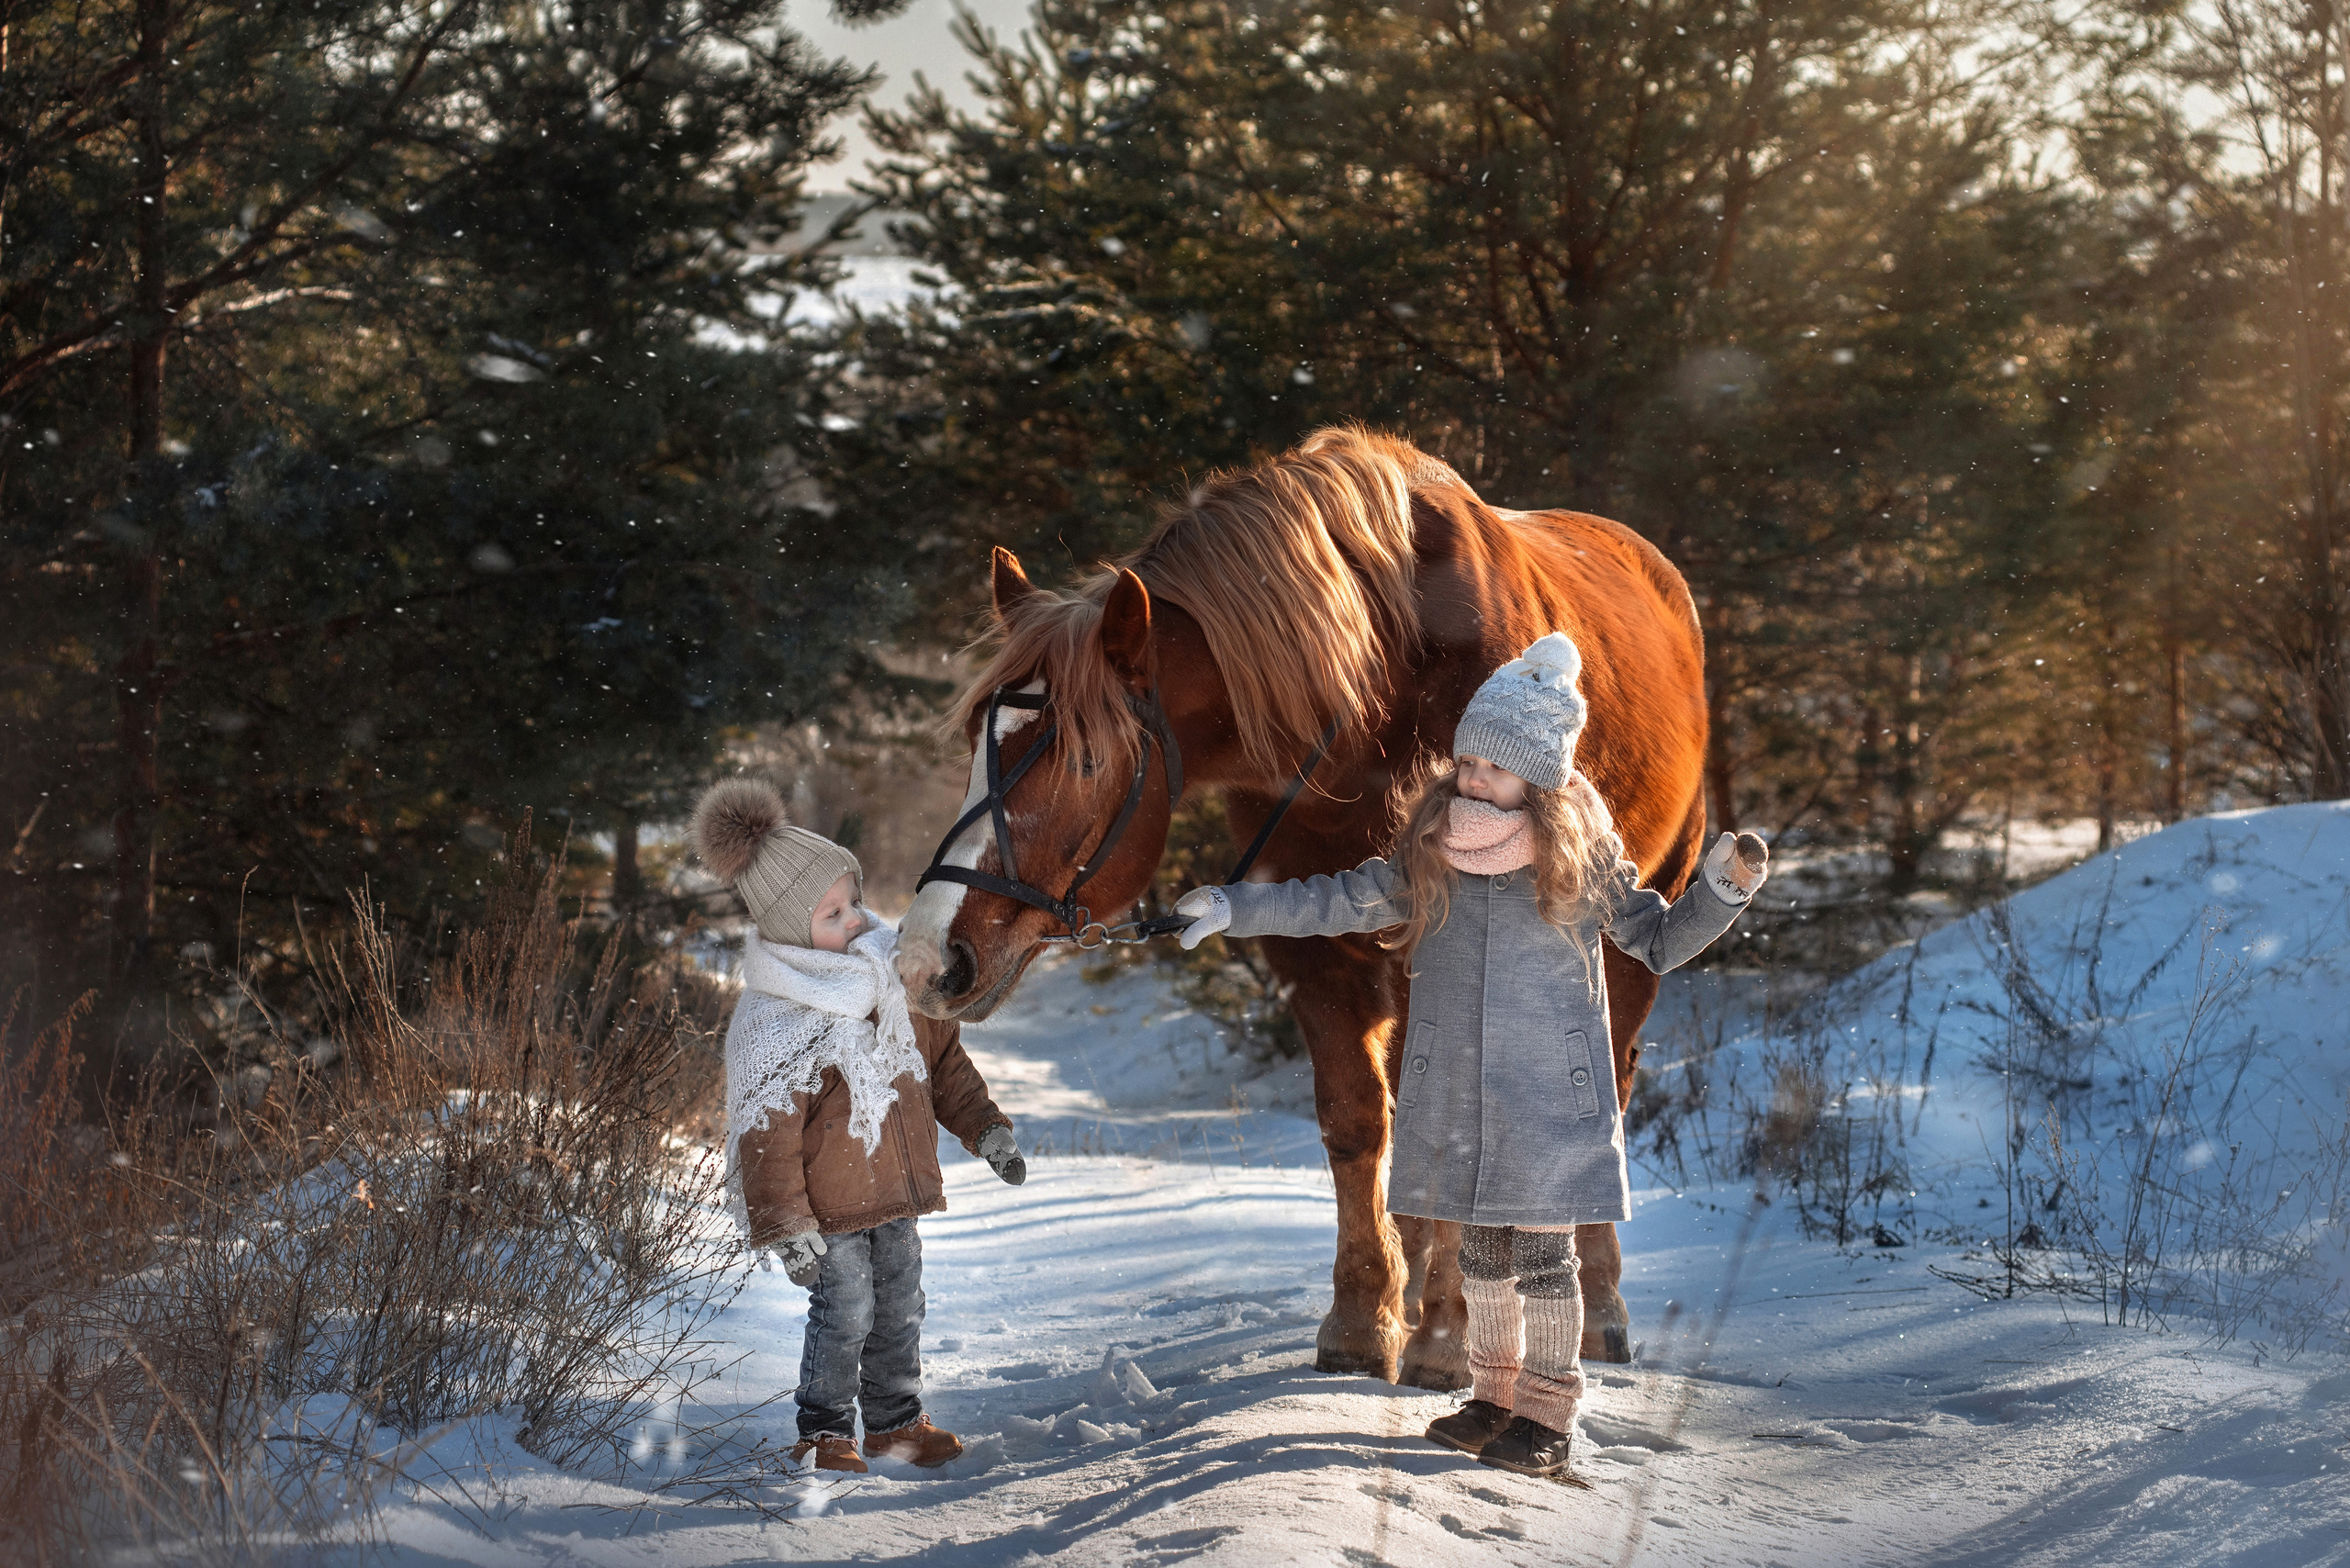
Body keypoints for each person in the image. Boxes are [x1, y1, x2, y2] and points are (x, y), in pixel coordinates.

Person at [1171, 633, 1769, 1480]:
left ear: (1540, 776)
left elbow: (1659, 941)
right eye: (1467, 761)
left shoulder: (1580, 858)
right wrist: (1232, 908)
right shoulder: (1430, 853)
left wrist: (1722, 892)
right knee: (1483, 1255)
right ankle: (1493, 1399)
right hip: (1458, 1092)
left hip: (1549, 1095)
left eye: (1492, 766)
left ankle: (1550, 1416)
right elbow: (1335, 899)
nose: (1471, 779)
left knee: (1544, 1260)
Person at [691, 778, 1028, 1475]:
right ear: (789, 930)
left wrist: (985, 1128)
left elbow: (944, 1065)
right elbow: (767, 1136)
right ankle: (824, 1431)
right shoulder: (776, 1021)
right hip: (827, 1213)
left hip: (895, 1193)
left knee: (901, 1308)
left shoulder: (892, 974)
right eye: (830, 914)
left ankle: (896, 1422)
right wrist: (786, 1225)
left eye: (851, 902)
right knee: (845, 1313)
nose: (853, 922)